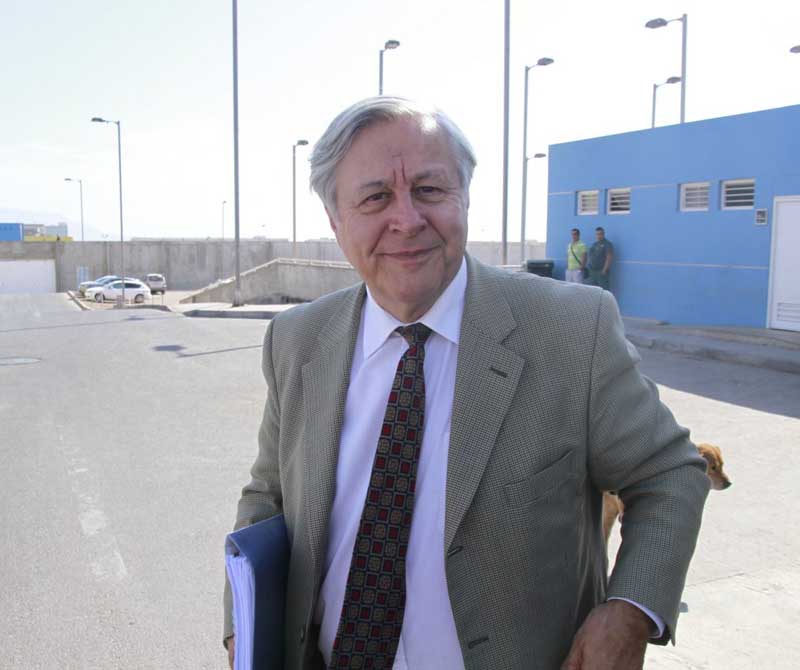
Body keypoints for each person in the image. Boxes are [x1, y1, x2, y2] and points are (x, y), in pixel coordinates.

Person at [223, 97, 709, 670]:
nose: (407, 219)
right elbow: (268, 496)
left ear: (465, 198)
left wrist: (630, 610)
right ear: (335, 220)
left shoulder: (571, 329)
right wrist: (241, 632)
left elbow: (668, 471)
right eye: (375, 197)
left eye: (429, 189)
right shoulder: (297, 340)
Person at [587, 226, 614, 291]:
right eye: (597, 234)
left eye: (600, 234)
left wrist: (604, 270)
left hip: (601, 272)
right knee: (593, 291)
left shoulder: (607, 244)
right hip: (592, 272)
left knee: (604, 291)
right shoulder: (594, 244)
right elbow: (590, 256)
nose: (599, 236)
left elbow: (609, 258)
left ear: (603, 234)